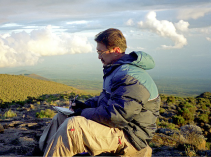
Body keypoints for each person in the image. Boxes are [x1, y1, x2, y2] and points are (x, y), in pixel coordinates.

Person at [38, 28, 160, 157]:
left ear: (116, 51)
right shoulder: (117, 70)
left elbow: (117, 116)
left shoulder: (130, 76)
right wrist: (85, 105)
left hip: (129, 136)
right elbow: (106, 99)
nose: (99, 56)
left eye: (101, 52)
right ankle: (42, 153)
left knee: (73, 126)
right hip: (117, 129)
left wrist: (83, 113)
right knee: (61, 117)